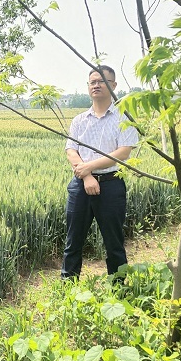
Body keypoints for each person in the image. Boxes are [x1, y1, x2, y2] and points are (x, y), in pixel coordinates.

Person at [61, 65, 139, 280]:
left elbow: (123, 152)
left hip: (112, 184)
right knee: (73, 241)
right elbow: (71, 150)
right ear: (88, 87)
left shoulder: (124, 118)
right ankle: (68, 289)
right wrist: (86, 175)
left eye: (102, 81)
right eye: (92, 82)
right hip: (80, 184)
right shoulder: (79, 120)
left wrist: (90, 168)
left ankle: (119, 288)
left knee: (114, 242)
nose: (96, 85)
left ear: (113, 86)